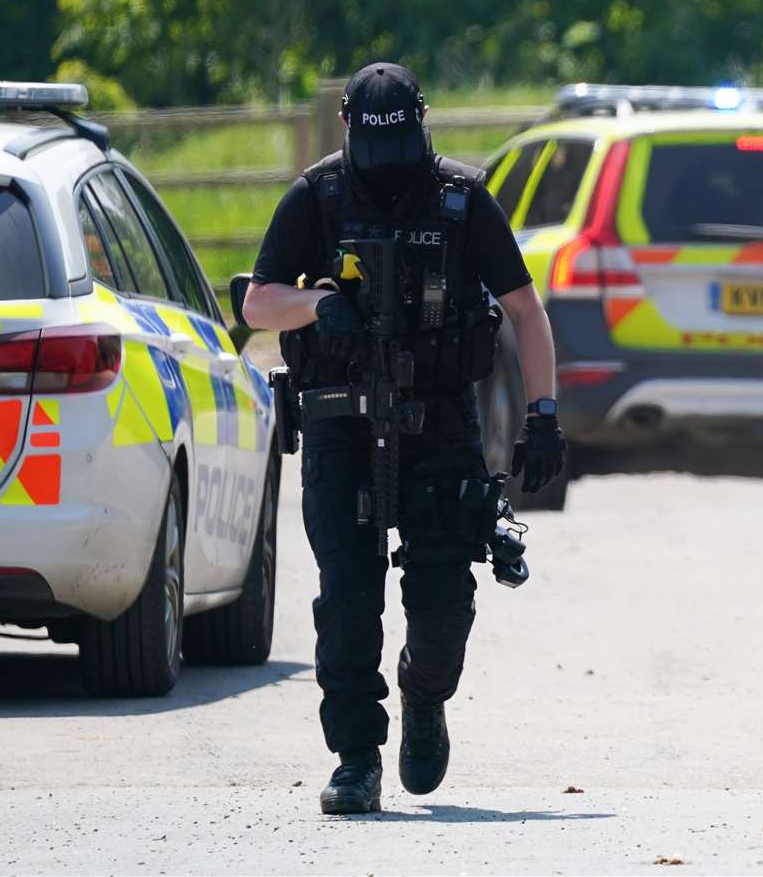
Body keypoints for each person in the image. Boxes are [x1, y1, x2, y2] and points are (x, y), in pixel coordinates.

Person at [242, 63, 566, 814]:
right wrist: (317, 307)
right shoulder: (316, 198)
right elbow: (259, 303)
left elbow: (525, 307)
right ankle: (357, 758)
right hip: (340, 424)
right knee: (349, 602)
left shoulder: (460, 198)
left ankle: (426, 695)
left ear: (423, 126)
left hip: (441, 425)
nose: (390, 172)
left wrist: (543, 416)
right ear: (348, 131)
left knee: (443, 603)